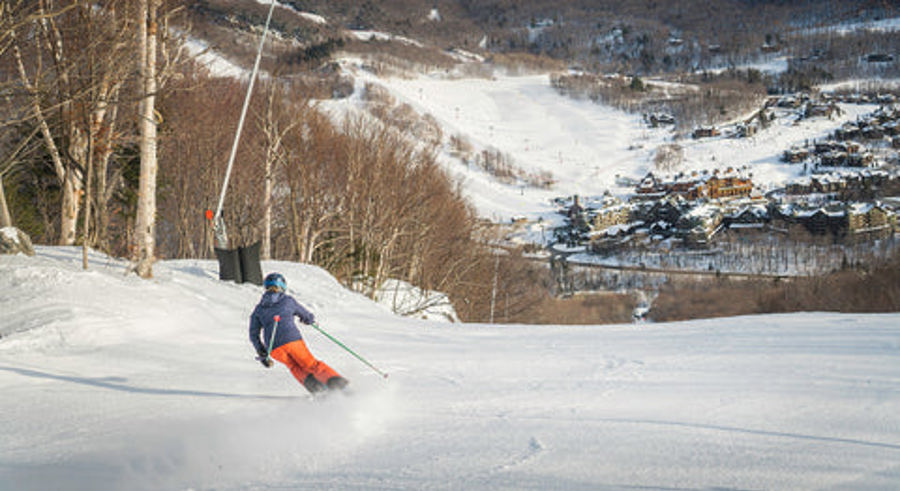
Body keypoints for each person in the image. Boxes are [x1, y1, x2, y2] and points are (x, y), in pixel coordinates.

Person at [249, 272, 348, 394]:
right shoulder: (287, 301)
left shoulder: (259, 309)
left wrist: (261, 351)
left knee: (294, 367)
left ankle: (317, 389)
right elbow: (305, 315)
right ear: (283, 287)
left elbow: (253, 334)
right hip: (292, 341)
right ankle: (340, 386)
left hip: (274, 348)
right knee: (311, 364)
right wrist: (309, 320)